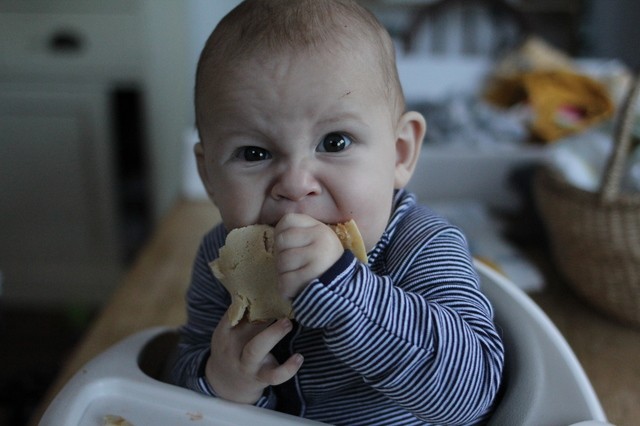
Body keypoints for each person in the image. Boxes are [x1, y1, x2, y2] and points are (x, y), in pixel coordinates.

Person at [171, 0, 504, 424]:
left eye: (334, 143)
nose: (294, 184)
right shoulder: (224, 259)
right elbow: (179, 375)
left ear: (400, 153)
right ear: (209, 177)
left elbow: (471, 395)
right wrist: (219, 382)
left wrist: (343, 291)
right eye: (254, 152)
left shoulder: (423, 247)